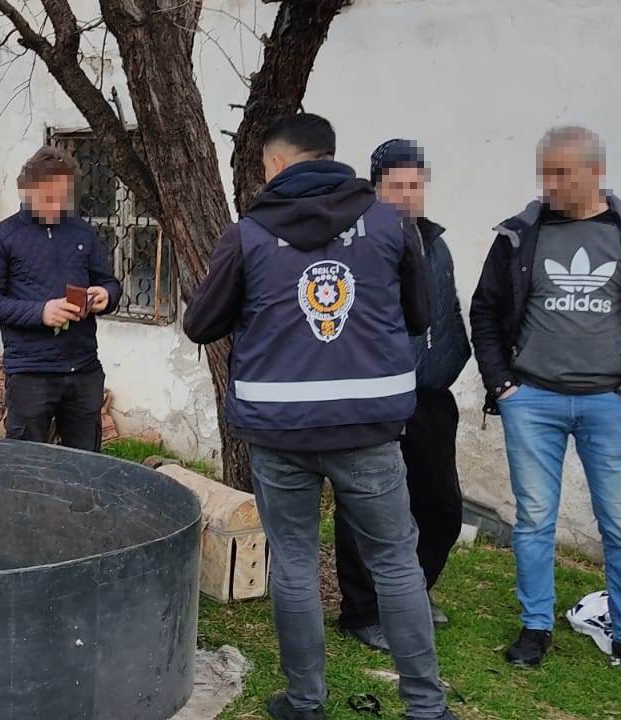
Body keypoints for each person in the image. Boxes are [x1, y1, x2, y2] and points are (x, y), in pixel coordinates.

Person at [184, 113, 457, 720]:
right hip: (369, 430)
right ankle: (426, 707)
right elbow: (419, 315)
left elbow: (201, 324)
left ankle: (305, 702)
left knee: (296, 565)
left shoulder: (249, 234)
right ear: (332, 157)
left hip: (282, 431)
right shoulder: (391, 224)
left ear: (276, 164)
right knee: (395, 561)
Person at [470, 126, 621, 685]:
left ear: (595, 172)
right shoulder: (522, 235)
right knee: (535, 521)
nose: (550, 184)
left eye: (562, 173)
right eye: (545, 171)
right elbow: (485, 311)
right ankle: (535, 626)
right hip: (532, 401)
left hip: (612, 404)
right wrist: (503, 386)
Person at [333, 139, 471, 652]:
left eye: (417, 185)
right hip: (371, 400)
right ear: (377, 187)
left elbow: (445, 314)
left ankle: (411, 593)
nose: (410, 195)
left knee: (439, 508)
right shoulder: (356, 242)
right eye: (399, 186)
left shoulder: (435, 243)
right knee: (362, 513)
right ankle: (361, 612)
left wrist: (453, 360)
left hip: (430, 398)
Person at [0, 146, 122, 452]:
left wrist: (106, 295)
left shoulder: (82, 233)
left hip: (82, 368)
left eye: (63, 197)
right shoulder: (2, 237)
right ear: (28, 190)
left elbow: (108, 282)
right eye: (48, 198)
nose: (57, 206)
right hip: (30, 371)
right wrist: (40, 313)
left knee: (85, 463)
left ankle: (78, 503)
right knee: (28, 464)